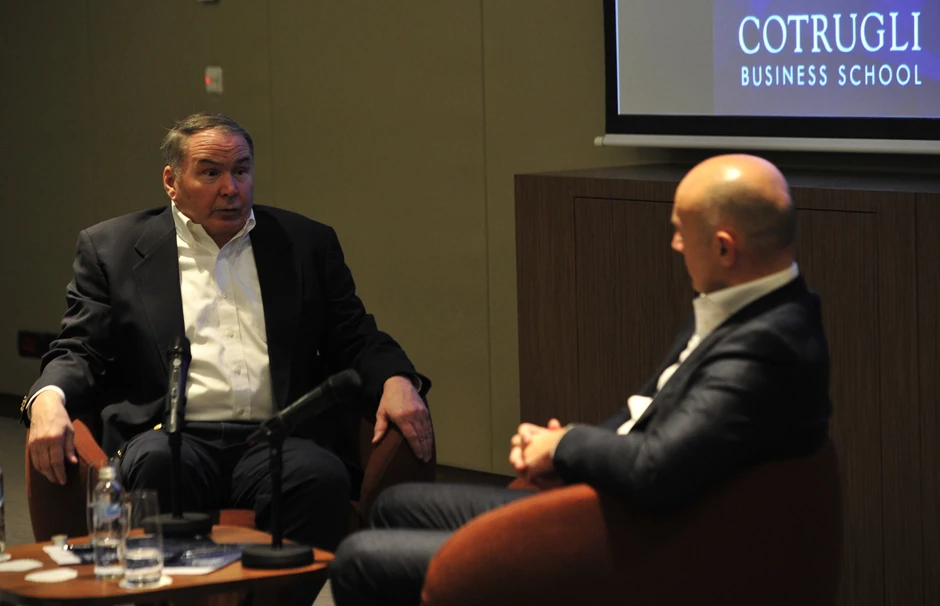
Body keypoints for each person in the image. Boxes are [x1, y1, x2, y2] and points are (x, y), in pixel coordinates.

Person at [329, 153, 832, 605]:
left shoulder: (764, 347)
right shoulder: (748, 306)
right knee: (395, 506)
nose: (675, 243)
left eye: (682, 230)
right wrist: (561, 454)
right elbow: (644, 413)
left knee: (358, 560)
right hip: (629, 509)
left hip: (648, 545)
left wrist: (565, 445)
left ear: (724, 249)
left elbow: (655, 467)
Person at [23, 112, 434, 557]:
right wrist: (47, 397)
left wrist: (396, 379)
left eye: (241, 170)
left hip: (278, 436)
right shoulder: (112, 249)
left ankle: (275, 592)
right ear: (171, 181)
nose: (230, 188)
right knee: (158, 466)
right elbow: (80, 348)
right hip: (169, 435)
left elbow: (354, 335)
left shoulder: (305, 243)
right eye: (210, 173)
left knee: (319, 478)